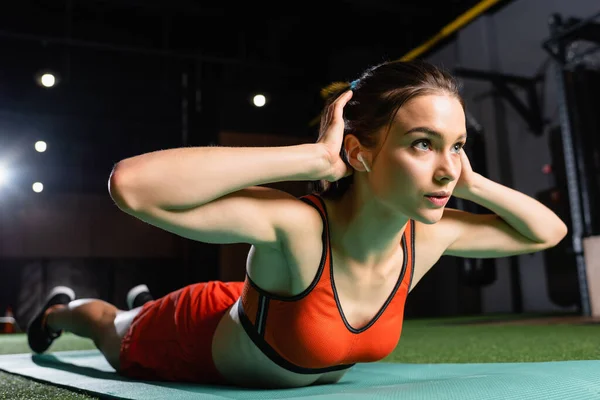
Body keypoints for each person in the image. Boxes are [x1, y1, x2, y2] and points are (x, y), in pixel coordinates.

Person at [26, 59, 568, 389]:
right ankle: (58, 312)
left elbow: (548, 232)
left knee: (139, 307)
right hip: (192, 333)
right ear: (358, 152)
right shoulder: (298, 226)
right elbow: (132, 187)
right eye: (422, 144)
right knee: (110, 326)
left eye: (458, 147)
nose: (446, 166)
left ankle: (141, 298)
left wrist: (470, 183)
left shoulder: (429, 234)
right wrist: (310, 160)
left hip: (256, 302)